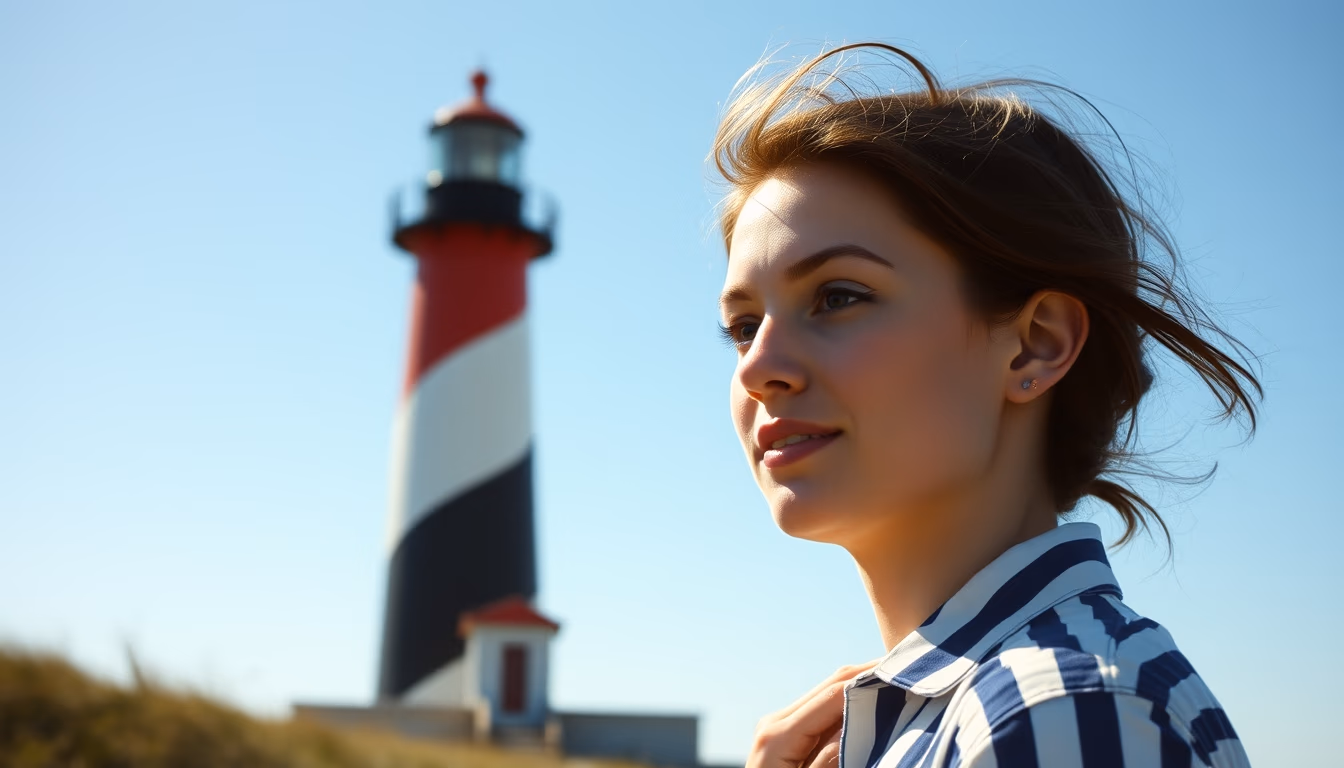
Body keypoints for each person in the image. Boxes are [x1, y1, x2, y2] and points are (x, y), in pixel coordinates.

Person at [711, 41, 1261, 768]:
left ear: (1035, 345)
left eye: (838, 297)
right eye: (744, 326)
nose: (758, 368)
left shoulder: (1062, 710)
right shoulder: (999, 707)